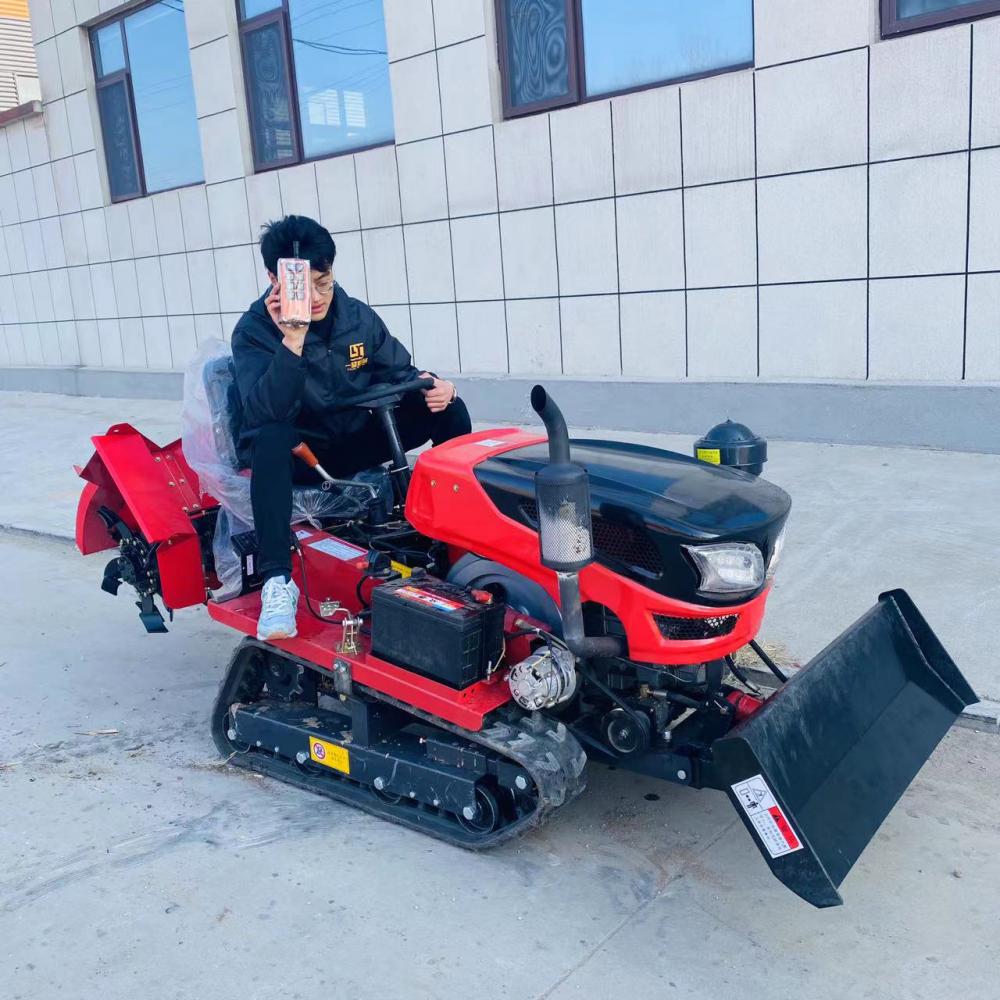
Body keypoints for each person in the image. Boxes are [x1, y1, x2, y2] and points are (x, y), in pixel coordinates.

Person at [231, 215, 471, 641]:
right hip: (300, 454)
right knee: (269, 437)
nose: (319, 296)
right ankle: (276, 583)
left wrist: (437, 386)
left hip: (355, 436)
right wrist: (293, 338)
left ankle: (456, 540)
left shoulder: (357, 317)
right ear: (274, 277)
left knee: (448, 408)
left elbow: (400, 373)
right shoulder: (254, 331)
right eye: (309, 287)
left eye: (325, 282)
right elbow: (264, 411)